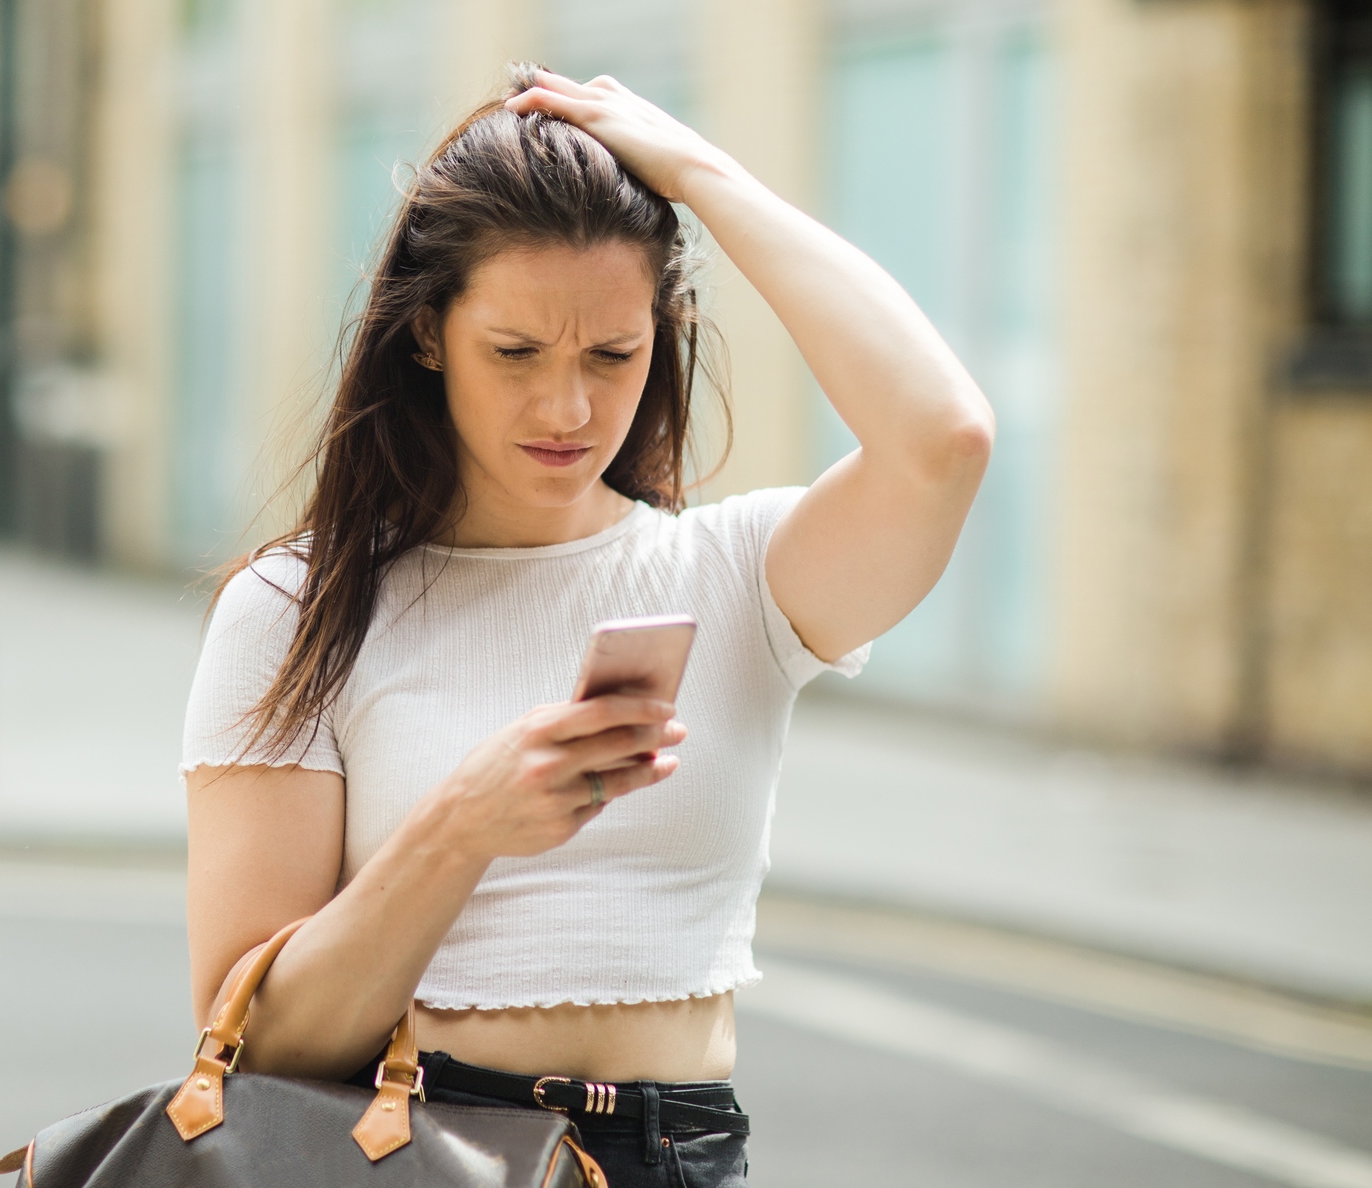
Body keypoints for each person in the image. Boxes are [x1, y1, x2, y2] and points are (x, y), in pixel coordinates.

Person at [181, 64, 993, 1188]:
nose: (568, 410)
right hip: (415, 1152)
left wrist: (701, 174)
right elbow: (258, 1040)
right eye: (515, 353)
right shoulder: (295, 607)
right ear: (426, 335)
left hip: (679, 1156)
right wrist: (464, 827)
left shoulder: (735, 574)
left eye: (614, 355)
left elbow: (943, 439)